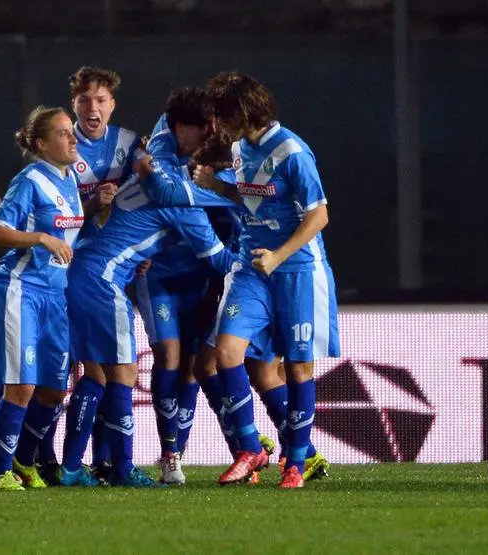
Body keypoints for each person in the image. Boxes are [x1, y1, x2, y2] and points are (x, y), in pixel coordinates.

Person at [64, 87, 246, 488]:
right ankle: (125, 468)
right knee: (124, 372)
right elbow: (219, 261)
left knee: (95, 374)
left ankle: (72, 467)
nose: (212, 135)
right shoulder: (178, 194)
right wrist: (269, 262)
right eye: (206, 128)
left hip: (85, 271)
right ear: (184, 129)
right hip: (103, 280)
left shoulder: (160, 153)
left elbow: (163, 128)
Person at [198, 72, 339, 488]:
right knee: (226, 351)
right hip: (251, 266)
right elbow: (252, 197)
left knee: (297, 368)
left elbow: (319, 214)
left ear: (242, 112)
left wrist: (279, 255)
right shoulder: (242, 148)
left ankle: (297, 462)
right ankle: (250, 447)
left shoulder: (293, 152)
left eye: (222, 116)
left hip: (295, 269)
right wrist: (216, 186)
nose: (218, 126)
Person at [38, 66, 145, 484]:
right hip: (72, 270)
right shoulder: (61, 144)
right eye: (85, 100)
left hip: (113, 268)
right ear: (73, 104)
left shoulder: (129, 143)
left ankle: (84, 464)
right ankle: (75, 464)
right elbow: (53, 204)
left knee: (96, 372)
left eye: (100, 100)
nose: (92, 107)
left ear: (112, 104)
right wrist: (89, 199)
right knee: (90, 371)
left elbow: (146, 196)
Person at [0, 106, 84, 491]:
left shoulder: (69, 179)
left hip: (55, 294)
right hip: (19, 290)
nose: (72, 138)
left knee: (54, 389)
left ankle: (26, 461)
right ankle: (1, 474)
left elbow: (66, 229)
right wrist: (40, 238)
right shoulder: (29, 180)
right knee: (21, 387)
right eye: (62, 133)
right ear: (41, 143)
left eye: (71, 131)